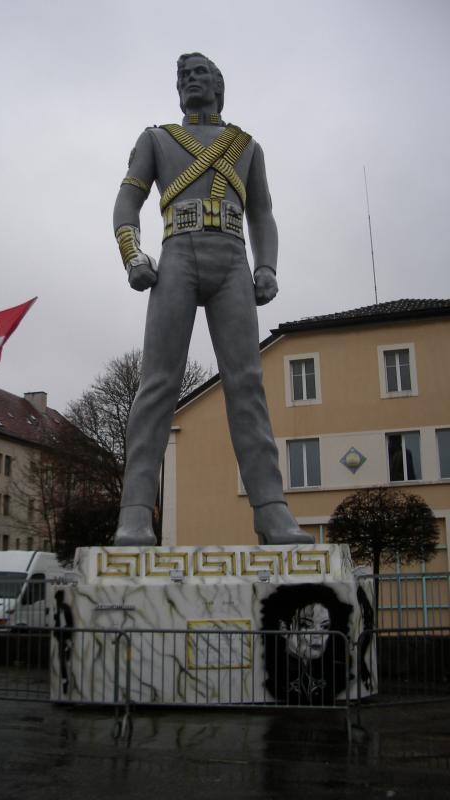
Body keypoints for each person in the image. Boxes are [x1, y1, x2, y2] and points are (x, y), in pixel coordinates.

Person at [113, 52, 314, 547]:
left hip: (231, 259)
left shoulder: (246, 146)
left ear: (219, 86)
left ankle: (271, 511)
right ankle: (135, 513)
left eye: (199, 73)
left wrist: (267, 266)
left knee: (247, 384)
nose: (188, 80)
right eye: (182, 75)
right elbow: (127, 203)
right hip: (175, 256)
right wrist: (133, 256)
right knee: (157, 384)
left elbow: (262, 214)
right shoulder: (156, 138)